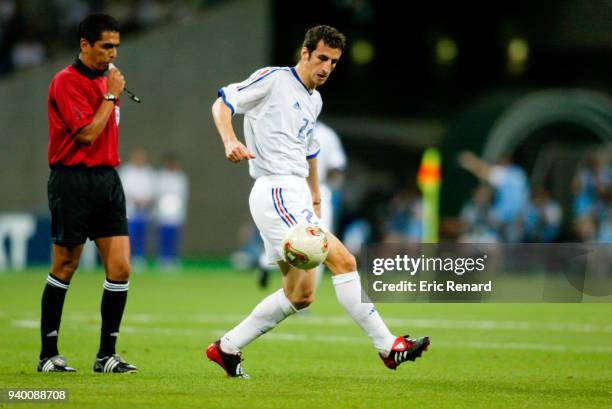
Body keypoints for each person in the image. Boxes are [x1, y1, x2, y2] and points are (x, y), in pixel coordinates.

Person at [207, 25, 429, 378]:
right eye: (322, 58)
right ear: (305, 53)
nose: (326, 67)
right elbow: (223, 103)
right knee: (344, 261)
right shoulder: (273, 79)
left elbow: (310, 149)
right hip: (275, 190)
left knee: (300, 295)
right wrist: (229, 139)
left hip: (296, 195)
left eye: (334, 62)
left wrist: (314, 194)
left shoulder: (315, 99)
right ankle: (389, 347)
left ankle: (227, 347)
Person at [39, 13, 137, 373]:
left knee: (121, 267)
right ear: (85, 45)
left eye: (116, 46)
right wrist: (111, 94)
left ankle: (106, 355)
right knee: (65, 265)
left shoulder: (107, 81)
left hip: (107, 180)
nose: (113, 53)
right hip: (72, 181)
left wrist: (110, 92)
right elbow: (86, 134)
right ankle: (48, 354)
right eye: (106, 46)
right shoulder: (66, 82)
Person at [458, 151, 529, 242]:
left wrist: (470, 162)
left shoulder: (509, 174)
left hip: (506, 221)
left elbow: (486, 172)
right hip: (518, 220)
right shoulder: (520, 174)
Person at [119, 148, 156, 270]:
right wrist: (134, 199)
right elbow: (122, 189)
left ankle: (139, 258)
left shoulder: (148, 172)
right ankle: (127, 257)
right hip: (129, 210)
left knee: (142, 235)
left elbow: (153, 189)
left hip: (144, 210)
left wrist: (146, 200)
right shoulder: (126, 171)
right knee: (130, 235)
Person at [154, 153, 189, 269]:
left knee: (174, 237)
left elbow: (183, 194)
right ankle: (163, 258)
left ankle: (173, 258)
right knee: (163, 236)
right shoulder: (161, 176)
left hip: (176, 213)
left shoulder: (181, 177)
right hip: (163, 213)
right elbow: (158, 193)